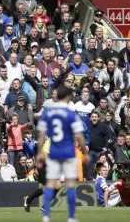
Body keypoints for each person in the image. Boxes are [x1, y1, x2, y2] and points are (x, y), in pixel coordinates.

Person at [37, 85, 89, 222]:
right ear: (66, 97)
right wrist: (85, 152)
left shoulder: (48, 113)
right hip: (67, 152)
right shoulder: (71, 113)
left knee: (50, 183)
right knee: (70, 183)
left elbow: (41, 135)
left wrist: (39, 153)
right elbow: (80, 135)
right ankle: (71, 217)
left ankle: (46, 215)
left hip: (53, 152)